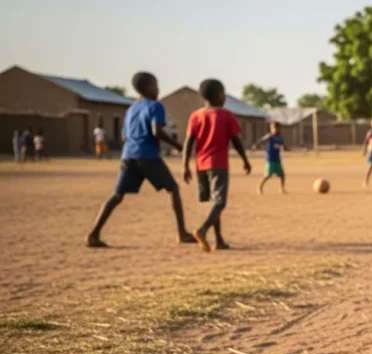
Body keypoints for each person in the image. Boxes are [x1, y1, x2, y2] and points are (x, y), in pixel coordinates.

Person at [86, 72, 192, 248]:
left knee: (117, 195)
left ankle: (94, 233)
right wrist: (178, 145)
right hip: (147, 155)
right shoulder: (155, 106)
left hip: (128, 155)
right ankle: (182, 233)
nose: (158, 89)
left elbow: (123, 135)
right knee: (173, 189)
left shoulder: (132, 108)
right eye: (156, 85)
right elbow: (156, 131)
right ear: (150, 87)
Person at [182, 78, 251, 252]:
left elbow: (188, 142)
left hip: (201, 166)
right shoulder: (226, 115)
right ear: (220, 95)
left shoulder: (196, 115)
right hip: (218, 165)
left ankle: (219, 240)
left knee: (214, 202)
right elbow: (236, 141)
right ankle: (203, 230)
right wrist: (245, 160)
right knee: (220, 202)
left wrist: (185, 166)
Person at [254, 122, 287, 194]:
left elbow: (283, 145)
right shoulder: (270, 136)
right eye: (273, 128)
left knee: (282, 174)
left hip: (277, 159)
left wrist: (285, 148)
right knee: (268, 175)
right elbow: (262, 140)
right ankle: (260, 187)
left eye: (276, 128)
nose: (274, 130)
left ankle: (282, 189)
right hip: (270, 159)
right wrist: (256, 145)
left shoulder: (280, 137)